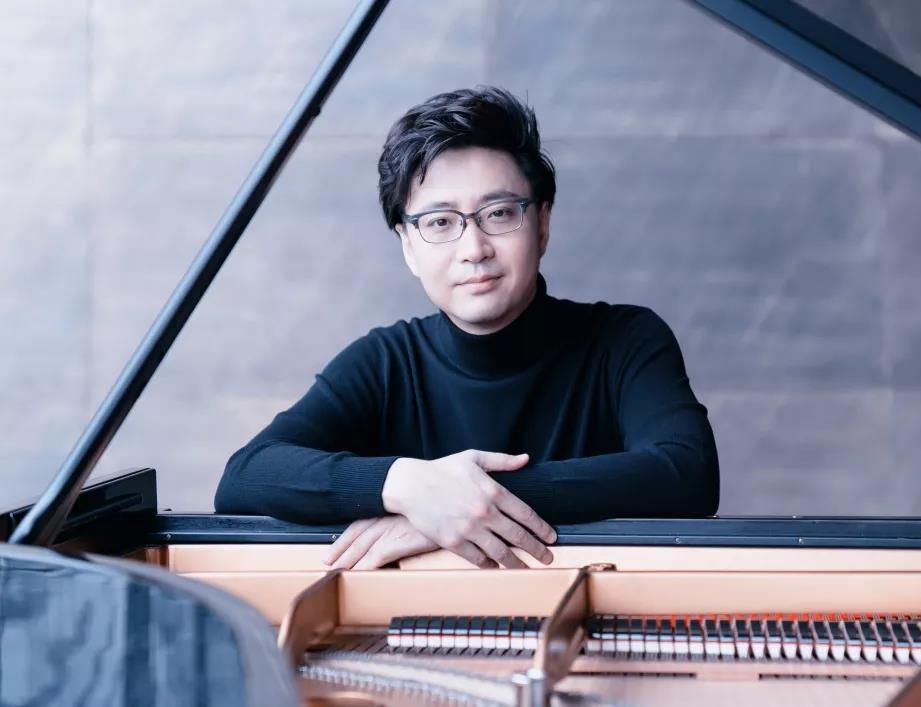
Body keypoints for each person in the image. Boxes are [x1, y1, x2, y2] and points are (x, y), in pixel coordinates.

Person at [215, 86, 719, 571]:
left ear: (543, 224)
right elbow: (245, 477)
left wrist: (457, 507)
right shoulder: (384, 362)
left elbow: (688, 472)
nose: (474, 248)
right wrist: (409, 487)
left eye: (499, 213)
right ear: (408, 245)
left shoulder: (625, 340)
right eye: (440, 222)